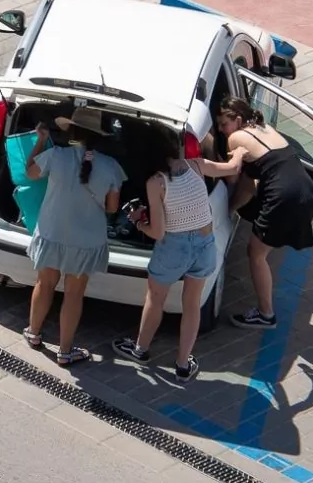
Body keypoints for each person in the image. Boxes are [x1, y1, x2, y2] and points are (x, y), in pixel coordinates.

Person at [194, 97, 313, 327]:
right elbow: (254, 181)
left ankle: (266, 314)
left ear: (238, 119)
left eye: (223, 123)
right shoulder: (263, 127)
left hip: (283, 196)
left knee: (255, 253)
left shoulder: (236, 138)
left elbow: (237, 181)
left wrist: (228, 209)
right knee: (262, 247)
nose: (220, 129)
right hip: (306, 190)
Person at [22, 114, 124, 366]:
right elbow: (112, 208)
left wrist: (40, 141)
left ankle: (34, 333)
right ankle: (65, 352)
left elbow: (30, 172)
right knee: (73, 295)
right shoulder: (111, 166)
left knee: (45, 284)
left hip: (52, 233)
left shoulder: (56, 156)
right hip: (86, 241)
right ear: (99, 136)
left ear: (72, 132)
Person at [113, 141, 219, 380]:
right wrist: (242, 154)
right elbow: (230, 168)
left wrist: (139, 222)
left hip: (174, 247)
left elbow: (158, 233)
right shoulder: (195, 166)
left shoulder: (156, 182)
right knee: (192, 304)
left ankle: (140, 350)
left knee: (156, 298)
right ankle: (183, 365)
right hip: (205, 244)